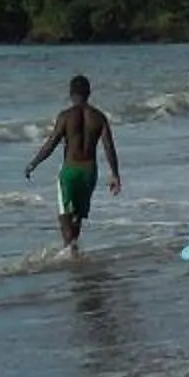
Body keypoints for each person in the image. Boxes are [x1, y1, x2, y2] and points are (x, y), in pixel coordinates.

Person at [24, 74, 120, 251]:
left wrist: (33, 164)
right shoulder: (99, 117)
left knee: (64, 216)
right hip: (89, 172)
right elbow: (109, 148)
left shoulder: (66, 116)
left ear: (71, 93)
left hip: (70, 171)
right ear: (89, 93)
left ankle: (69, 252)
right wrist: (115, 175)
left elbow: (51, 144)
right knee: (77, 217)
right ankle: (74, 252)